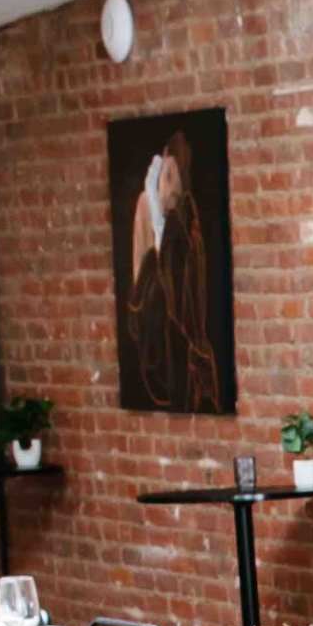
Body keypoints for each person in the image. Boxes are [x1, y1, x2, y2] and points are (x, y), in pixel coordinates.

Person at [120, 130, 226, 413]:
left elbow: (188, 288)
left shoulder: (186, 218)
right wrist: (156, 223)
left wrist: (161, 226)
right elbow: (144, 290)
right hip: (164, 337)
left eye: (175, 177)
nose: (171, 188)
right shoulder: (148, 206)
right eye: (167, 176)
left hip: (185, 339)